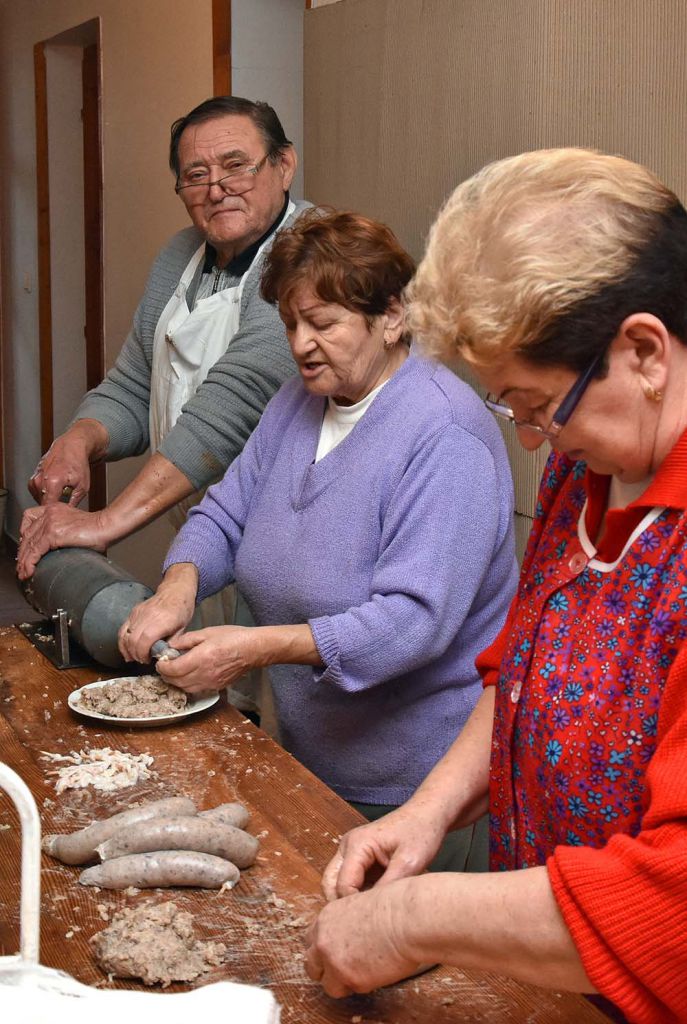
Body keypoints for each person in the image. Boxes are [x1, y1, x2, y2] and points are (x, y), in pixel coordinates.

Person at [303, 149, 687, 1024]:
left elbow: (670, 910)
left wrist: (410, 918)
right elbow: (524, 673)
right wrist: (427, 812)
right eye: (508, 406)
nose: (530, 440)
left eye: (537, 403)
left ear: (642, 352)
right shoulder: (586, 467)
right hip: (551, 982)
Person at [118, 209, 518, 870]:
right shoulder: (296, 403)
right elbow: (225, 514)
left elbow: (411, 623)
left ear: (392, 316)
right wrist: (177, 586)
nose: (301, 344)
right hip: (310, 756)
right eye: (290, 324)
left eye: (323, 323)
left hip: (415, 788)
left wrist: (257, 648)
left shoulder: (446, 433)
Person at [16, 95, 310, 580]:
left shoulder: (309, 250)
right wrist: (78, 440)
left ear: (284, 165)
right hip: (201, 532)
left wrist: (105, 523)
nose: (216, 189)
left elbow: (231, 407)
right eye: (196, 175)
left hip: (285, 544)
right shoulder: (181, 254)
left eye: (236, 166)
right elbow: (136, 384)